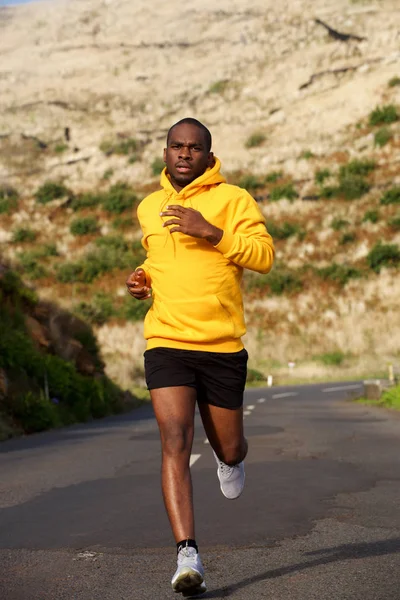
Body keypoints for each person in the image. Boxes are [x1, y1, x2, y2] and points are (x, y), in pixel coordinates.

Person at [126, 118, 274, 597]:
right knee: (174, 436)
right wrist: (142, 280)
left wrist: (211, 231)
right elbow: (158, 260)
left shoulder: (234, 200)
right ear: (165, 152)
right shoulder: (150, 207)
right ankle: (187, 554)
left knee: (229, 446)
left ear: (210, 156)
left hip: (221, 345)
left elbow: (263, 256)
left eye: (195, 148)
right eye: (177, 146)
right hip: (166, 339)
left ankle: (230, 459)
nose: (185, 154)